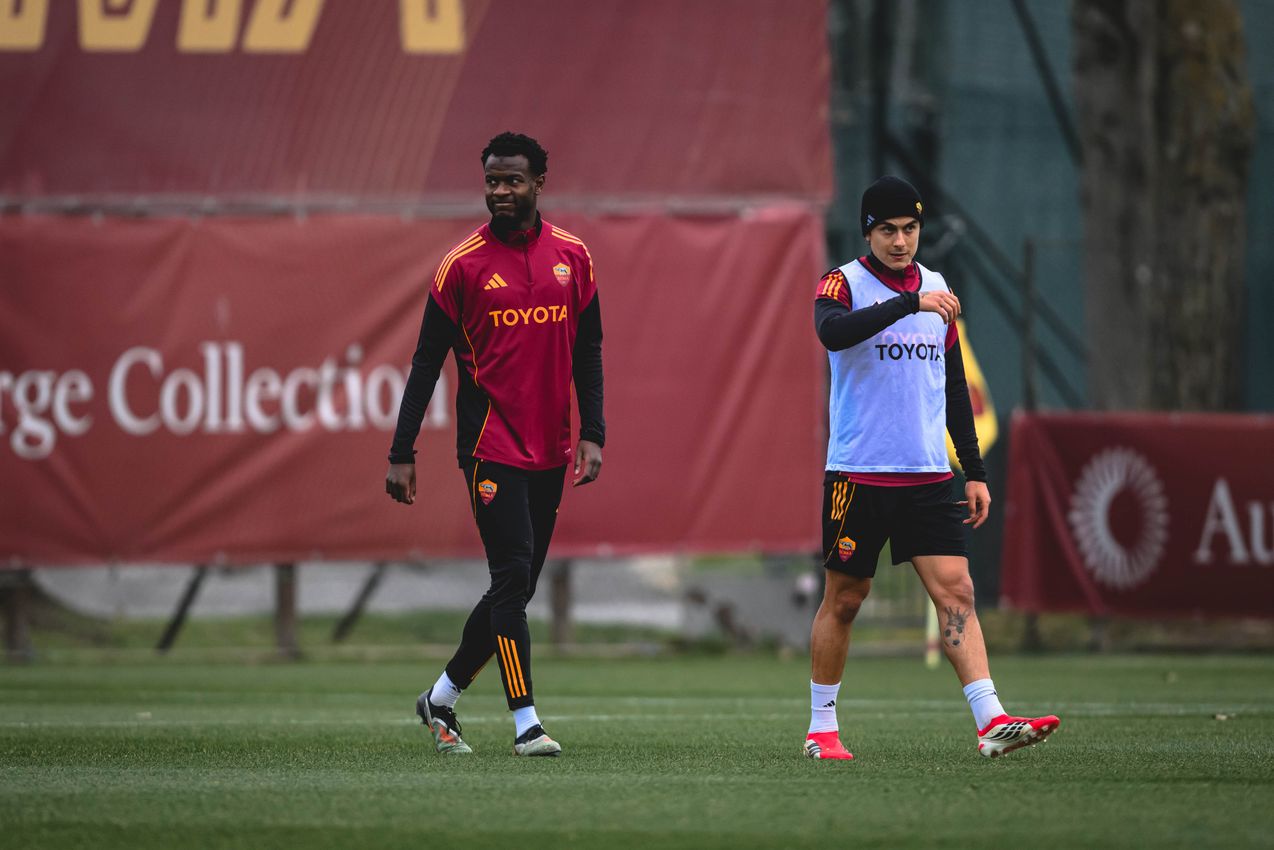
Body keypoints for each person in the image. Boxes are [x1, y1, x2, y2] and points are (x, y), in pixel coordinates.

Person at [805, 176, 1058, 761]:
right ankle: (821, 729)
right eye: (888, 230)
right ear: (868, 231)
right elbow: (831, 334)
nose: (901, 241)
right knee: (845, 598)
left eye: (910, 229)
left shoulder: (939, 288)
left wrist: (973, 470)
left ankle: (990, 720)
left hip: (926, 475)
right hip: (858, 474)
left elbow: (951, 388)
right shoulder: (842, 282)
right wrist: (906, 304)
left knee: (958, 592)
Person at [385, 132, 604, 757]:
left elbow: (588, 350)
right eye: (492, 181)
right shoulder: (462, 266)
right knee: (511, 579)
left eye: (513, 181)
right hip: (489, 445)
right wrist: (402, 451)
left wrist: (593, 432)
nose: (501, 192)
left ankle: (442, 698)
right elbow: (426, 363)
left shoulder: (574, 257)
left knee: (515, 589)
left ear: (540, 182)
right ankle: (526, 721)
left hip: (552, 447)